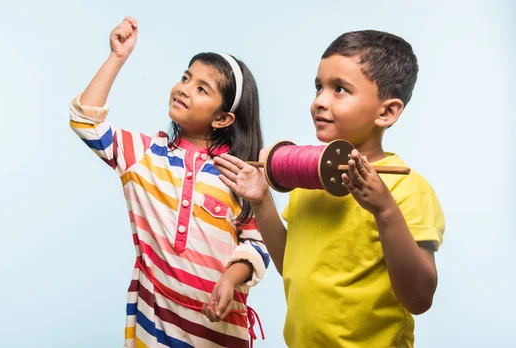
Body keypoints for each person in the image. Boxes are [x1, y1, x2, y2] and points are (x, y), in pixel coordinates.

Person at [214, 30, 445, 347]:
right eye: (318, 87)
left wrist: (385, 210)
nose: (319, 101)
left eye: (340, 89)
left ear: (386, 112)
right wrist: (263, 201)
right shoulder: (309, 181)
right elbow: (290, 266)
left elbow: (419, 298)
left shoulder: (407, 190)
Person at [69, 17, 269, 348]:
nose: (184, 88)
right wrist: (117, 57)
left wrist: (229, 280)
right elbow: (84, 121)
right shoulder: (143, 156)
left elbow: (258, 244)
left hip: (218, 332)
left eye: (201, 88)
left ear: (222, 118)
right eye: (185, 78)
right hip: (154, 324)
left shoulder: (239, 173)